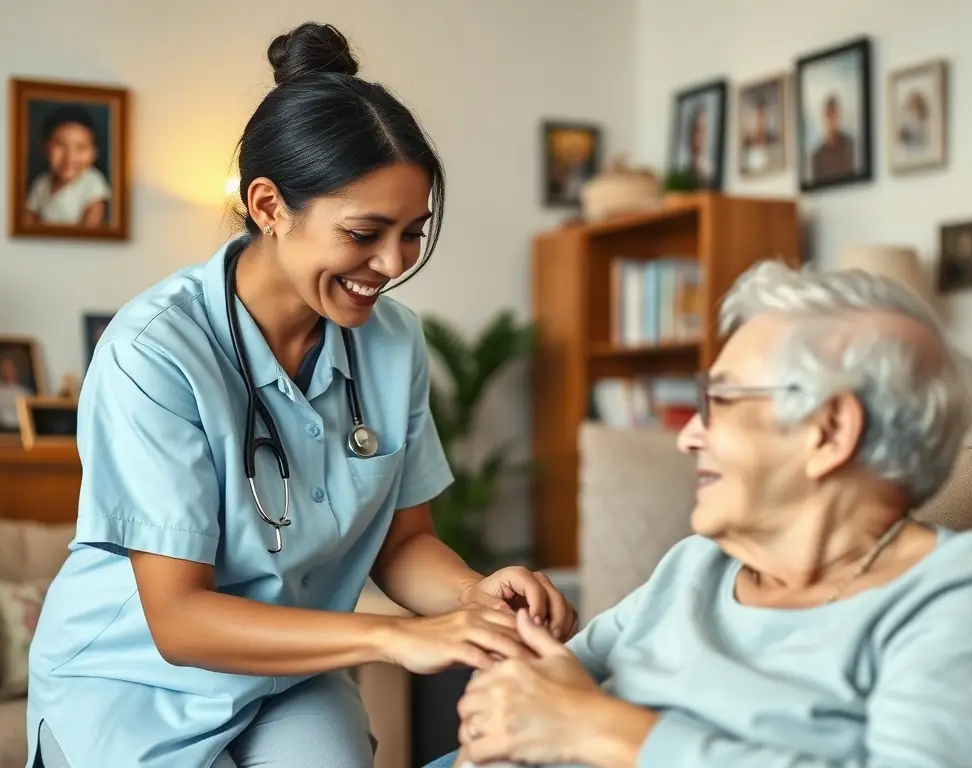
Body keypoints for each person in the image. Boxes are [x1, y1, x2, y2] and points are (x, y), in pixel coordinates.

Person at [27, 22, 576, 768]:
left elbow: (404, 542)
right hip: (132, 678)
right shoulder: (153, 351)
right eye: (364, 232)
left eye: (412, 232)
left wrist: (477, 598)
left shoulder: (392, 343)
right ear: (268, 205)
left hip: (281, 675)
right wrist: (392, 636)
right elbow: (179, 618)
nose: (392, 264)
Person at [430, 260, 972, 768]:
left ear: (829, 430)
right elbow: (539, 690)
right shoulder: (696, 565)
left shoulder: (961, 600)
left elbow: (574, 712)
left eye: (720, 403)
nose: (688, 436)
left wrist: (602, 728)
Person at [24, 105, 111, 227]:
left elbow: (91, 228)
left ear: (94, 153)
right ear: (45, 148)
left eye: (81, 148)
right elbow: (28, 221)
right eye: (60, 145)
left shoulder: (93, 183)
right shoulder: (41, 184)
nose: (70, 157)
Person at [810, 93, 855, 182]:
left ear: (838, 116)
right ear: (824, 118)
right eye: (828, 114)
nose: (831, 119)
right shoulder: (818, 154)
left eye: (833, 114)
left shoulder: (849, 144)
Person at [0, 353, 30, 431]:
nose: (7, 371)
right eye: (5, 367)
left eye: (10, 367)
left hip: (19, 430)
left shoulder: (25, 392)